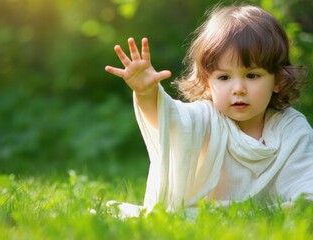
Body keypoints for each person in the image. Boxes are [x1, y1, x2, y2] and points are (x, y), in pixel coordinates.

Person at [104, 4, 313, 218]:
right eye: (224, 77)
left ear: (278, 80)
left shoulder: (291, 128)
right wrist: (147, 92)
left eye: (252, 76)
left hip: (269, 215)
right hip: (207, 217)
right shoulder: (206, 118)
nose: (238, 89)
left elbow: (306, 188)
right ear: (206, 83)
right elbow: (171, 122)